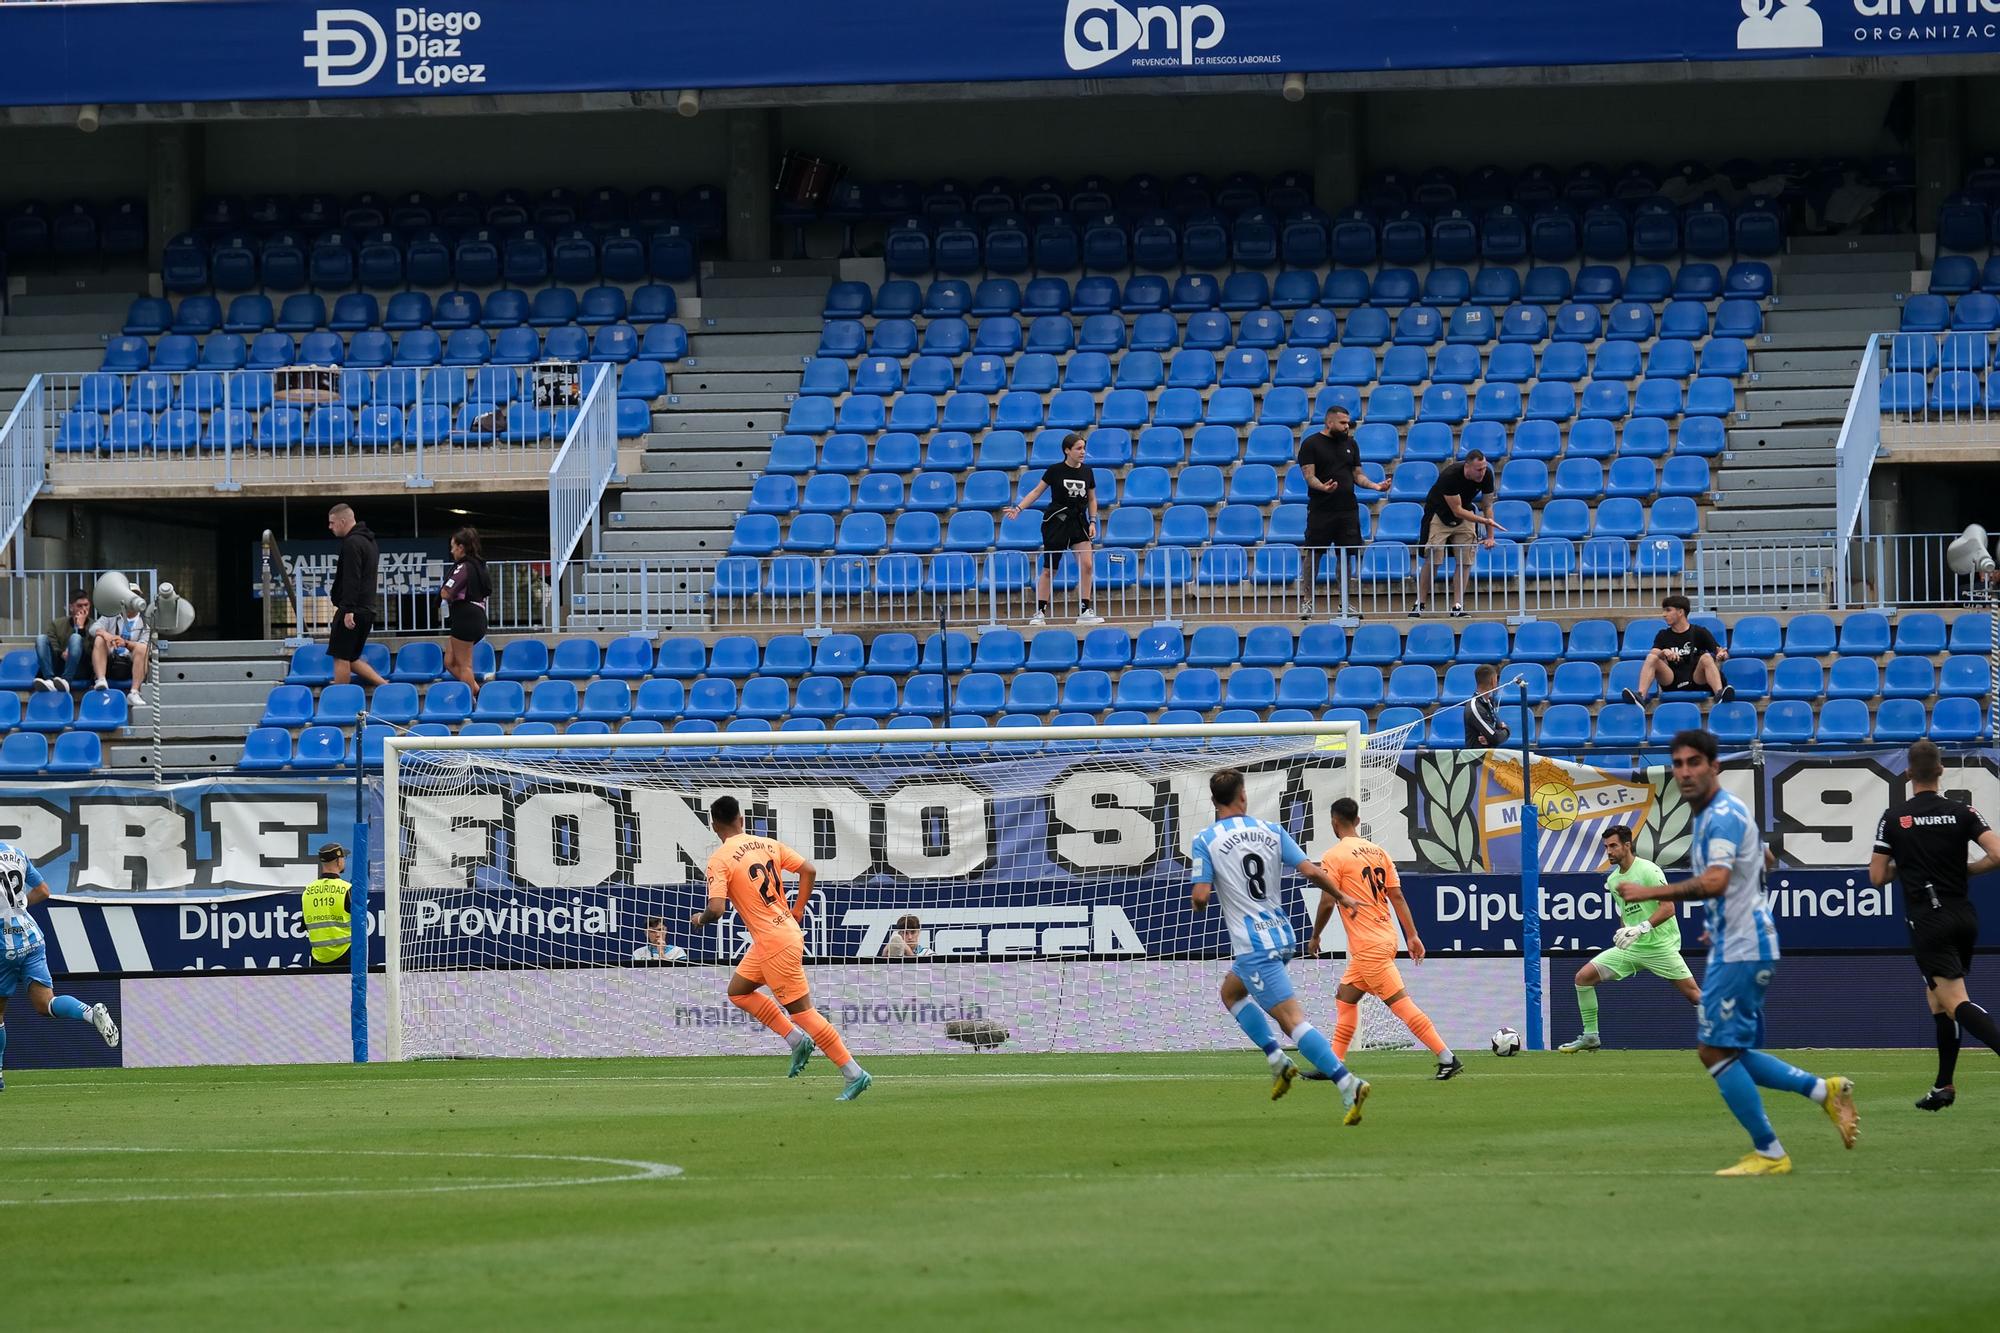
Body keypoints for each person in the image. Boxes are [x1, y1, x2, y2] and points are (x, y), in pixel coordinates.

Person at [1617, 729, 1857, 1175]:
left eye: (1694, 762)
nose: (1685, 771)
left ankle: (1771, 1153)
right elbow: (1761, 861)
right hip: (1740, 939)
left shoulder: (1721, 815)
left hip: (1744, 946)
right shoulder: (1720, 814)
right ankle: (1826, 1092)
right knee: (1734, 1052)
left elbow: (1717, 881)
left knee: (1714, 1052)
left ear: (1715, 767)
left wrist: (1651, 890)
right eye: (1679, 764)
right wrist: (1723, 917)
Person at [1190, 768, 1372, 1123]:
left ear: (1214, 802)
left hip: (1255, 944)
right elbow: (1312, 871)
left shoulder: (1206, 839)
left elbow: (1201, 895)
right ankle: (1278, 1060)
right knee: (1230, 992)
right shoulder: (1272, 831)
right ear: (1243, 796)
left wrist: (1199, 901)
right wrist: (1343, 897)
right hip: (1282, 935)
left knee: (1292, 1022)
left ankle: (1347, 1082)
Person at [693, 795, 871, 1100]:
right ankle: (795, 1040)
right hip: (776, 935)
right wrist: (799, 908)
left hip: (774, 942)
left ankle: (854, 1073)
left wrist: (700, 918)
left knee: (803, 1013)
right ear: (742, 819)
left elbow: (717, 909)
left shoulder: (719, 859)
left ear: (714, 826)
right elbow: (808, 870)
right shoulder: (767, 844)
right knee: (738, 992)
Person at [1867, 738, 2000, 1111]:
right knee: (1938, 1000)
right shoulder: (1964, 811)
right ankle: (1944, 1085)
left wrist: (1908, 867)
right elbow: (1998, 853)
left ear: (1908, 773)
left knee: (1955, 1001)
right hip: (1963, 915)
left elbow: (1877, 877)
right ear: (1940, 771)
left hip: (1928, 918)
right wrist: (1969, 869)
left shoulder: (1894, 818)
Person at [1313, 797, 1463, 1080]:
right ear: (1357, 821)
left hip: (1368, 945)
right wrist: (1413, 935)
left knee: (1400, 1003)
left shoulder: (1334, 856)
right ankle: (1333, 1064)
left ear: (1334, 822)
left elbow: (1326, 902)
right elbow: (1397, 896)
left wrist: (1316, 935)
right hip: (1384, 937)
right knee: (1345, 997)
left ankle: (1447, 1057)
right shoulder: (1379, 852)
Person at [1558, 825, 1700, 1052]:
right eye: (1606, 847)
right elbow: (1626, 912)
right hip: (1632, 947)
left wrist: (1641, 928)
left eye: (1613, 846)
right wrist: (1624, 931)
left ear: (1627, 845)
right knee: (1583, 977)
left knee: (1694, 996)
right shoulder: (1614, 880)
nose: (1609, 851)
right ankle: (1591, 1036)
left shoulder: (1648, 870)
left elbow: (1668, 908)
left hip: (1660, 946)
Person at [0, 837, 119, 1090]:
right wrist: (19, 906)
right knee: (45, 1003)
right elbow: (44, 890)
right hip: (31, 938)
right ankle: (90, 1013)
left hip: (3, 945)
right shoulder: (15, 852)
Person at [1295, 405, 1385, 620]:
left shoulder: (1351, 444)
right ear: (1329, 422)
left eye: (1348, 423)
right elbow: (1309, 476)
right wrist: (1323, 487)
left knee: (1345, 555)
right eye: (1343, 423)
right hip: (1321, 509)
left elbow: (1357, 475)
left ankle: (1344, 603)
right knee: (1314, 554)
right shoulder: (1311, 443)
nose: (1347, 426)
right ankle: (1307, 601)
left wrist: (1375, 486)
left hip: (1347, 510)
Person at [1004, 431, 1102, 628]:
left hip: (1079, 522)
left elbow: (1091, 499)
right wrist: (1019, 508)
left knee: (1087, 565)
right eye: (1078, 448)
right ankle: (1040, 612)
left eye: (1084, 448)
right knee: (1050, 569)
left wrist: (1092, 521)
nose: (1083, 452)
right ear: (1067, 450)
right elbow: (1036, 491)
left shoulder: (1087, 472)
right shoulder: (1055, 470)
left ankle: (1084, 610)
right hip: (1057, 521)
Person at [1411, 449, 1503, 618]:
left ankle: (1457, 606)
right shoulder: (1450, 475)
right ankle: (1420, 603)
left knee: (1466, 559)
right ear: (1467, 466)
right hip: (1439, 512)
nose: (1482, 472)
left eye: (1484, 468)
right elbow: (1457, 510)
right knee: (1434, 557)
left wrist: (1490, 536)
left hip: (1465, 512)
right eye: (1478, 469)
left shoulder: (1487, 475)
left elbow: (1488, 506)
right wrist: (1484, 521)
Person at [1622, 594, 1733, 708]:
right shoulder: (1663, 635)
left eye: (1668, 610)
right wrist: (1663, 652)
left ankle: (1719, 694)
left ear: (1681, 612)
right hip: (1672, 680)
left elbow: (1721, 652)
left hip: (1696, 679)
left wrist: (1722, 655)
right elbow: (1653, 653)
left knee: (1706, 657)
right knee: (1652, 658)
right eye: (1664, 611)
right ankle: (1641, 697)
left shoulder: (1699, 632)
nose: (1664, 614)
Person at [327, 503, 384, 688]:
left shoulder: (352, 543)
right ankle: (385, 685)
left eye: (332, 523)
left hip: (353, 608)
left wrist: (348, 609)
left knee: (341, 656)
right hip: (367, 608)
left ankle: (341, 698)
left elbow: (352, 577)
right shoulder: (369, 541)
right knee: (351, 656)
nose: (330, 527)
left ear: (343, 521)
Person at [439, 526, 490, 699]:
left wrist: (443, 593)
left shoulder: (464, 567)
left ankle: (474, 700)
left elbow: (446, 592)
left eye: (453, 546)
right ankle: (476, 690)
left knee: (464, 665)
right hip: (476, 616)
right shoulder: (479, 565)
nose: (451, 551)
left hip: (466, 617)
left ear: (461, 547)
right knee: (449, 662)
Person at [87, 601, 150, 711]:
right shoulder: (110, 616)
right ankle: (101, 680)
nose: (131, 603)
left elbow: (145, 645)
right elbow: (93, 629)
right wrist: (107, 635)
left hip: (130, 663)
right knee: (99, 638)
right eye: (128, 599)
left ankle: (134, 693)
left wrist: (125, 643)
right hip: (110, 660)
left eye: (133, 599)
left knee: (143, 648)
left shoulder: (145, 623)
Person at [301, 843, 354, 971]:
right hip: (346, 954)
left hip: (318, 957)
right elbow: (360, 924)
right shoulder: (346, 889)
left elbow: (305, 925)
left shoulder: (308, 891)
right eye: (343, 858)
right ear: (338, 861)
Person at [34, 589, 95, 694]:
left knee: (76, 638)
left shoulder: (94, 626)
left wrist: (81, 628)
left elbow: (90, 652)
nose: (84, 609)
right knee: (41, 638)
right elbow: (52, 643)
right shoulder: (57, 624)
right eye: (79, 606)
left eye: (86, 605)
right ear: (71, 607)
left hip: (80, 668)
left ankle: (66, 680)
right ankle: (50, 680)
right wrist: (61, 653)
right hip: (59, 666)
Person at [1463, 663, 1511, 748]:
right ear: (1493, 681)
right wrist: (1507, 730)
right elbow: (1496, 737)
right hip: (1477, 759)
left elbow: (1496, 730)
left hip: (1489, 755)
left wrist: (1490, 739)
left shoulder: (1488, 701)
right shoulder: (1475, 707)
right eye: (1497, 679)